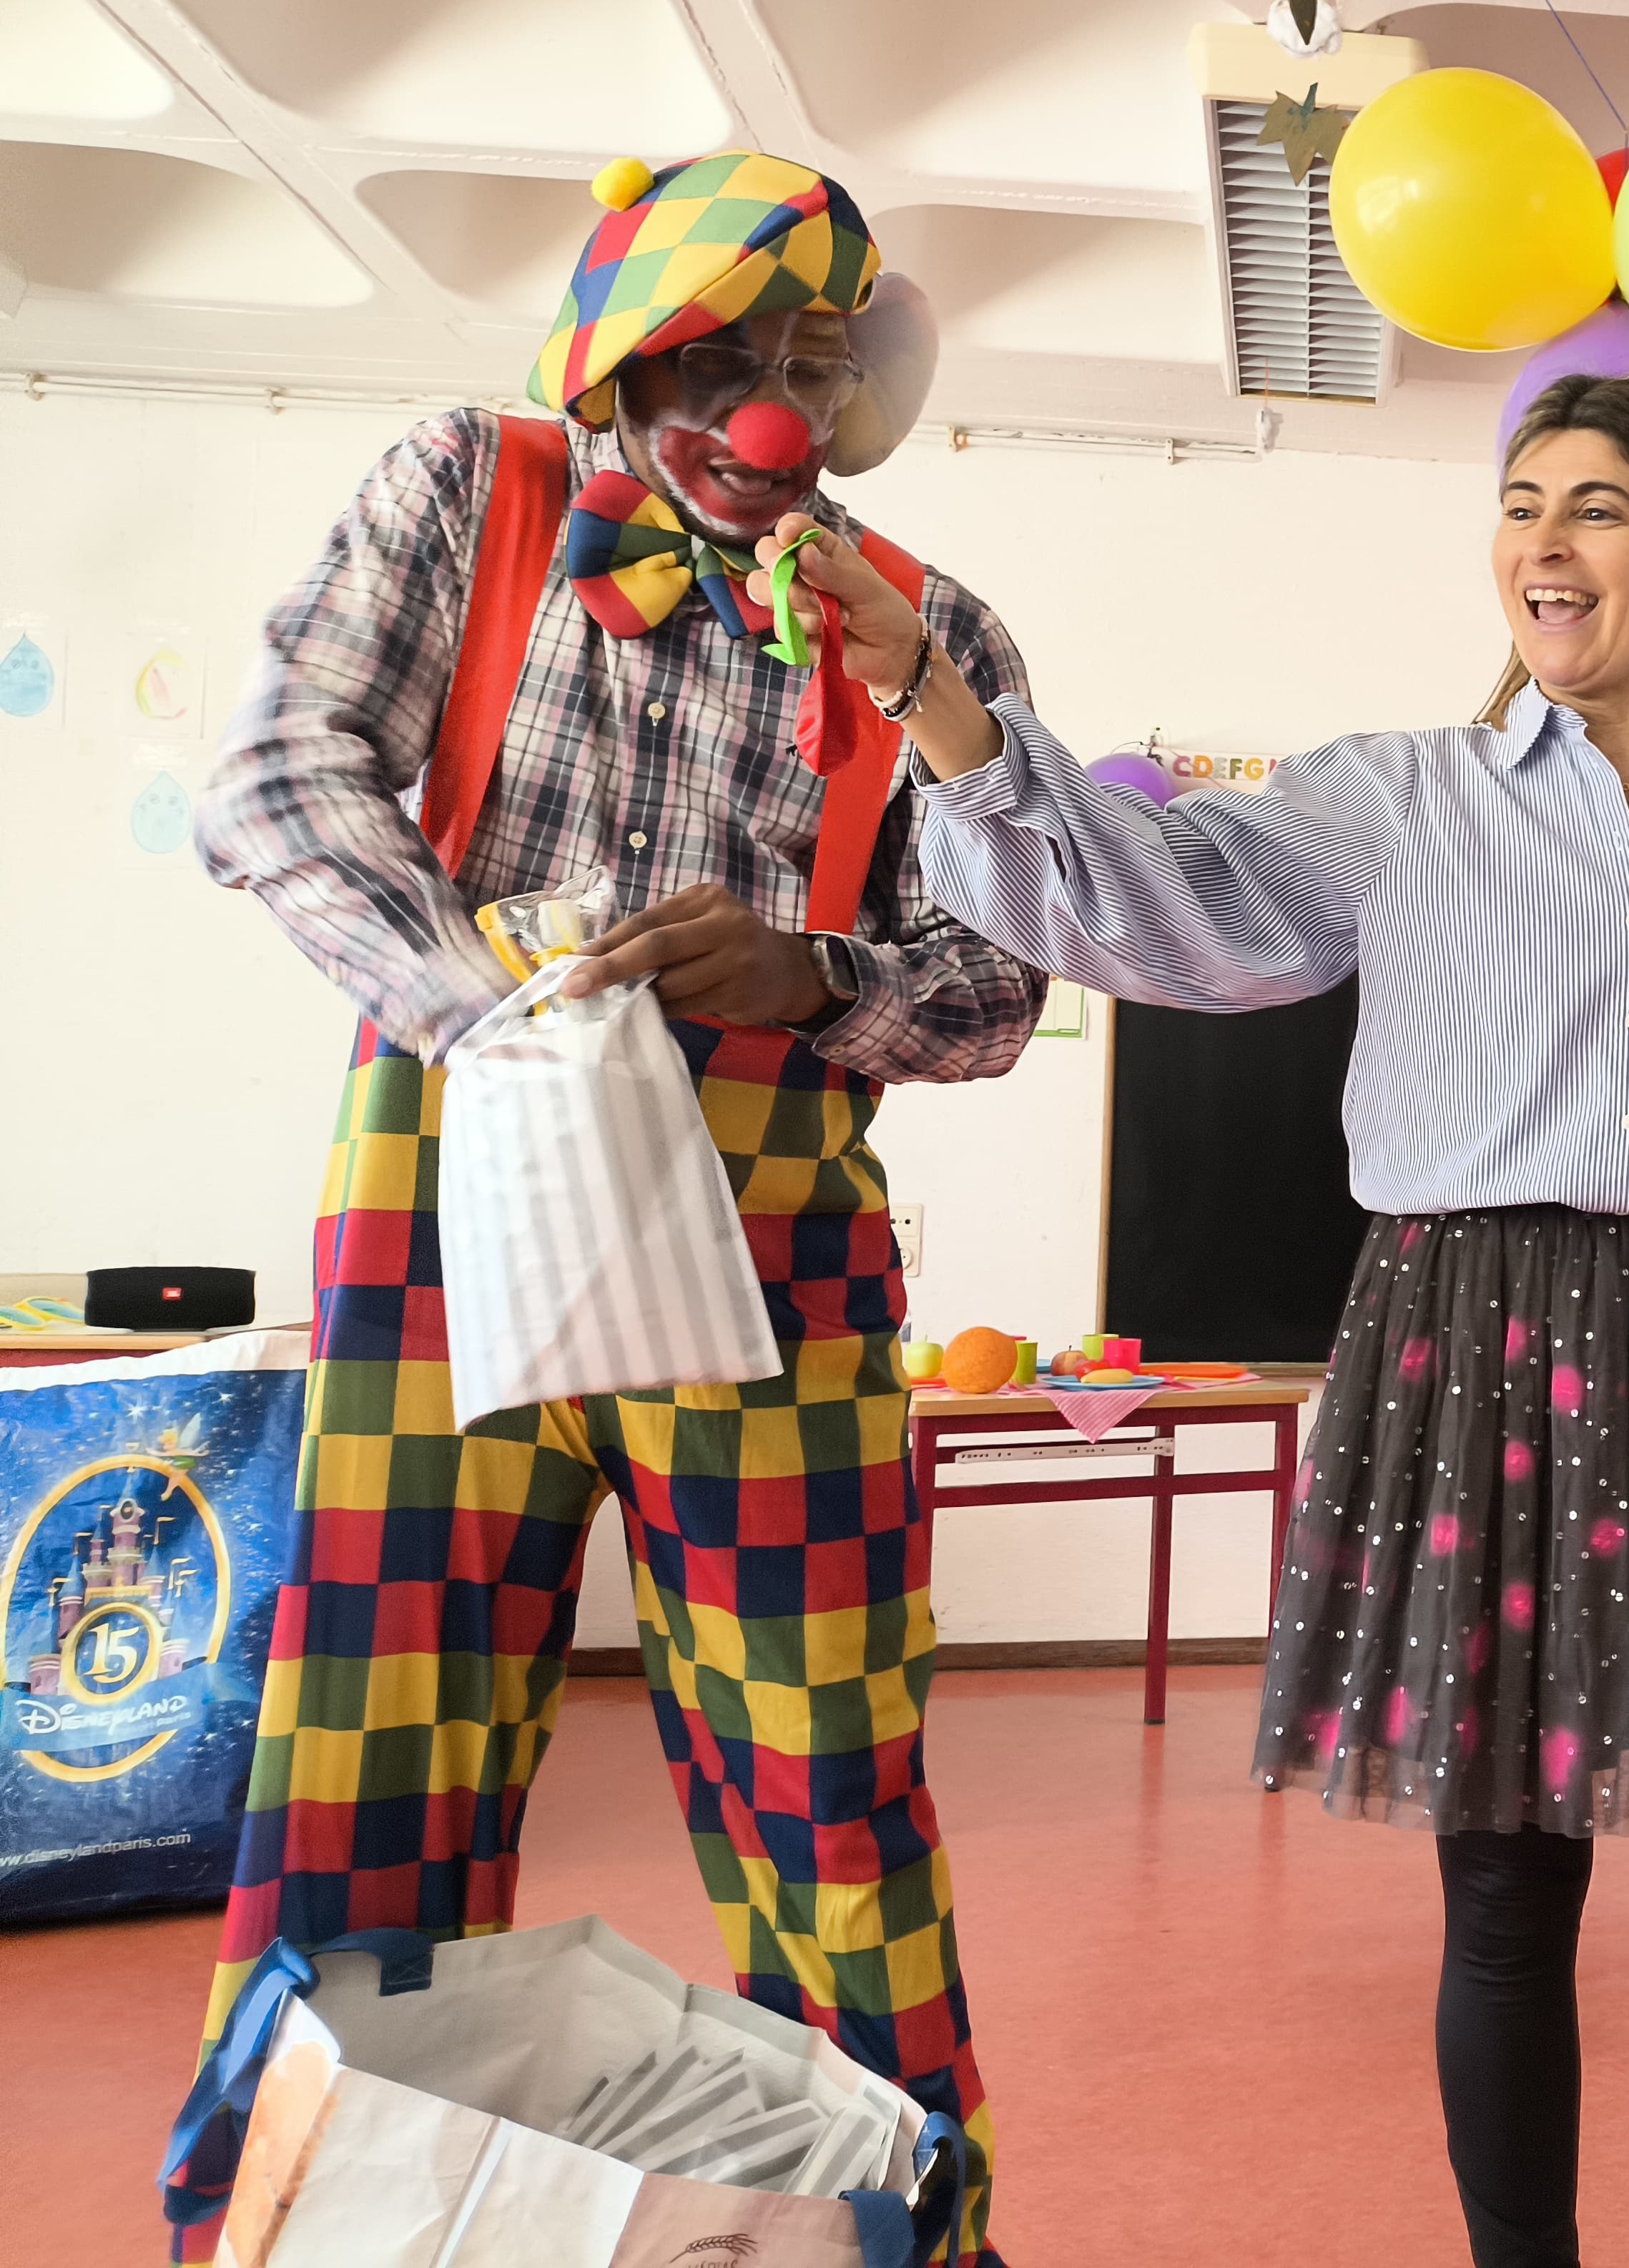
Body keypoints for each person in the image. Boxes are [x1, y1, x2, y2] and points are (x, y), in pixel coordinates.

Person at [756, 355, 1629, 2267]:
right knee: (1506, 1909)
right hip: (1476, 1347)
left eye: (1597, 509)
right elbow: (1153, 901)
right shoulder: (1402, 798)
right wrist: (934, 699)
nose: (1545, 545)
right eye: (1522, 508)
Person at [184, 153, 1038, 2264]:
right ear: (618, 354)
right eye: (719, 356)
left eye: (811, 366)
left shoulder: (927, 626)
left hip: (776, 1237)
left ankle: (894, 2242)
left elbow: (1005, 985)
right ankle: (307, 2232)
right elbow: (280, 773)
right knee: (372, 1744)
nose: (768, 411)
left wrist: (809, 976)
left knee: (830, 1783)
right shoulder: (464, 493)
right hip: (452, 1192)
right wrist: (502, 1017)